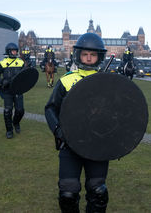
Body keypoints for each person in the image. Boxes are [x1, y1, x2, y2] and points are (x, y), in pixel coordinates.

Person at [45, 32, 109, 213]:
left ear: (99, 56)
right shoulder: (66, 81)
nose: (89, 58)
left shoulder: (108, 83)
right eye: (85, 54)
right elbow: (50, 108)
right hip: (70, 145)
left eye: (93, 54)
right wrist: (59, 131)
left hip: (98, 145)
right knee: (68, 195)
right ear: (78, 55)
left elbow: (118, 115)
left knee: (98, 192)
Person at [0, 43, 25, 139]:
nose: (15, 52)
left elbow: (25, 75)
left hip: (18, 90)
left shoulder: (21, 62)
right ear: (8, 51)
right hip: (7, 91)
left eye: (16, 51)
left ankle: (15, 122)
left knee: (20, 110)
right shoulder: (3, 62)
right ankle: (9, 130)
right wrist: (3, 81)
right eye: (13, 51)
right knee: (8, 110)